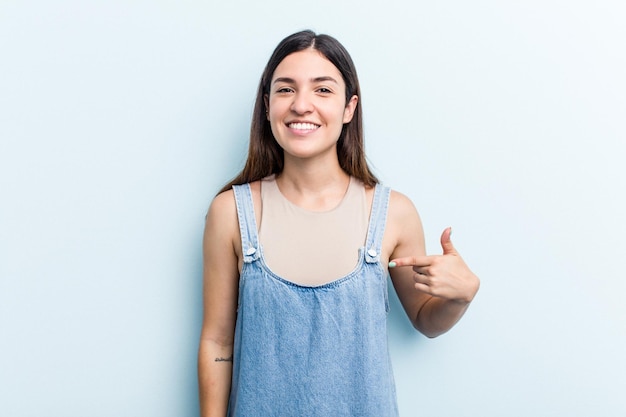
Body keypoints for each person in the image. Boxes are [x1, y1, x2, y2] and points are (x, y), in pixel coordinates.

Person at [198, 30, 480, 417]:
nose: (301, 105)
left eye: (322, 90)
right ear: (266, 106)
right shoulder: (230, 212)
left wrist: (459, 296)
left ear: (349, 108)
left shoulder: (393, 213)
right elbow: (217, 343)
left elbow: (426, 320)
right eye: (285, 90)